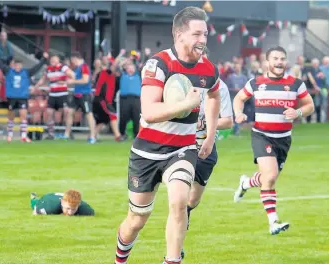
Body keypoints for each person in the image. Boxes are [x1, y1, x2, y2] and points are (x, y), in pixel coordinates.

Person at [113, 6, 221, 264]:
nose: (202, 40)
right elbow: (149, 112)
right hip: (147, 151)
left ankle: (172, 260)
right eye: (197, 34)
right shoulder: (158, 64)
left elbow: (215, 95)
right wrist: (185, 105)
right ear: (180, 35)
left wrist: (210, 134)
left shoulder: (207, 69)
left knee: (179, 203)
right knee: (136, 219)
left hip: (182, 149)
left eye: (205, 34)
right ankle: (119, 260)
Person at [232, 46, 315, 235]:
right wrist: (238, 113)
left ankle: (245, 183)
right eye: (275, 58)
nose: (279, 62)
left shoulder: (296, 84)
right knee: (270, 177)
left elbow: (310, 105)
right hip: (261, 135)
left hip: (284, 139)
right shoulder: (256, 83)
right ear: (267, 63)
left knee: (268, 177)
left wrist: (298, 112)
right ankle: (273, 222)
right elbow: (239, 99)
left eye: (282, 59)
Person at [184, 76, 233, 258]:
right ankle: (174, 249)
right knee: (179, 198)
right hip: (180, 145)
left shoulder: (219, 87)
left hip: (205, 147)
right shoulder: (179, 81)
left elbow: (227, 121)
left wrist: (205, 125)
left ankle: (186, 213)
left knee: (192, 201)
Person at [4, 57, 48, 142]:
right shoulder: (8, 72)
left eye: (19, 65)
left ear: (21, 66)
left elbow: (36, 68)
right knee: (11, 117)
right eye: (16, 65)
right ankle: (10, 135)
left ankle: (23, 136)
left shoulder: (26, 72)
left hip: (22, 97)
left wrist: (43, 59)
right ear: (13, 66)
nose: (17, 67)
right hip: (11, 97)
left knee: (23, 116)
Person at [34, 54, 75, 140]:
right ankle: (51, 134)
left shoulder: (63, 68)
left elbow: (72, 75)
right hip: (52, 94)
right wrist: (36, 86)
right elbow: (43, 79)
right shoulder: (48, 69)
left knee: (66, 113)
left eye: (54, 59)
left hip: (62, 94)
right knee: (49, 113)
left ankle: (68, 132)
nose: (52, 61)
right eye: (51, 59)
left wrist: (66, 82)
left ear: (58, 60)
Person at [68, 52, 97, 143]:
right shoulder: (77, 68)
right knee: (69, 112)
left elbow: (85, 80)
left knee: (89, 114)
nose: (72, 62)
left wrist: (72, 81)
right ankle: (66, 134)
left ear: (76, 58)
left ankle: (92, 136)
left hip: (84, 95)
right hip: (77, 94)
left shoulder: (84, 67)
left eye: (72, 60)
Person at [30, 189, 94, 216]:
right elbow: (36, 210)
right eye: (68, 208)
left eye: (73, 209)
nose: (70, 213)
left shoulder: (87, 211)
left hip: (60, 197)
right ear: (62, 202)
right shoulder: (50, 207)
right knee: (35, 204)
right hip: (49, 198)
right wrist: (36, 210)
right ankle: (34, 197)